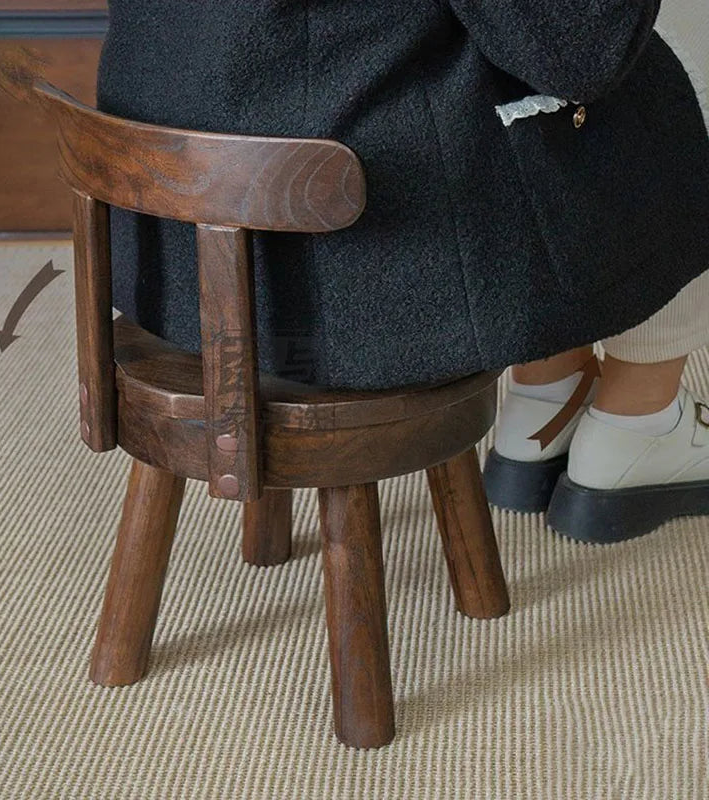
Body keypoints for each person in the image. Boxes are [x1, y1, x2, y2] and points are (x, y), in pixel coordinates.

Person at [96, 1, 709, 542]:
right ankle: (639, 420)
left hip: (183, 249)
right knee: (676, 38)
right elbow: (578, 53)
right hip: (349, 272)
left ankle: (548, 393)